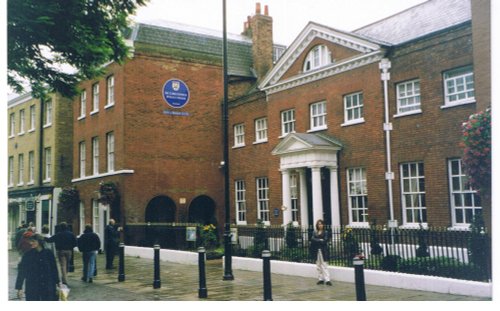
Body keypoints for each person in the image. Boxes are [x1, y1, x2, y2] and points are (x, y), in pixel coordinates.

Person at [15, 234, 60, 301]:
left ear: (40, 241)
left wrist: (58, 282)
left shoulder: (48, 253)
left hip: (47, 285)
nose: (31, 243)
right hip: (33, 286)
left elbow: (54, 269)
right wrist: (19, 287)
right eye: (30, 241)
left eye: (33, 241)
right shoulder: (27, 255)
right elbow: (22, 271)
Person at [310, 219, 332, 286]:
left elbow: (325, 241)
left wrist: (317, 240)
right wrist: (320, 239)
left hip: (323, 250)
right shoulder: (314, 232)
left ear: (323, 225)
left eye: (321, 224)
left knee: (324, 265)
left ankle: (327, 280)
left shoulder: (326, 232)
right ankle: (321, 279)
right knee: (318, 265)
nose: (320, 225)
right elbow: (312, 239)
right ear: (317, 225)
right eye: (319, 224)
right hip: (316, 250)